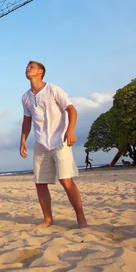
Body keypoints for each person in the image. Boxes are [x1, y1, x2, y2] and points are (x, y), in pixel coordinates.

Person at [19, 61, 88, 228]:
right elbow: (27, 121)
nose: (28, 69)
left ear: (41, 71)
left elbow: (72, 109)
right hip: (41, 143)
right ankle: (48, 219)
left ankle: (81, 218)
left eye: (32, 67)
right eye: (27, 67)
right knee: (40, 182)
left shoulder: (53, 89)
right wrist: (22, 140)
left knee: (66, 180)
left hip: (60, 140)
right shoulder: (26, 97)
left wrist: (70, 130)